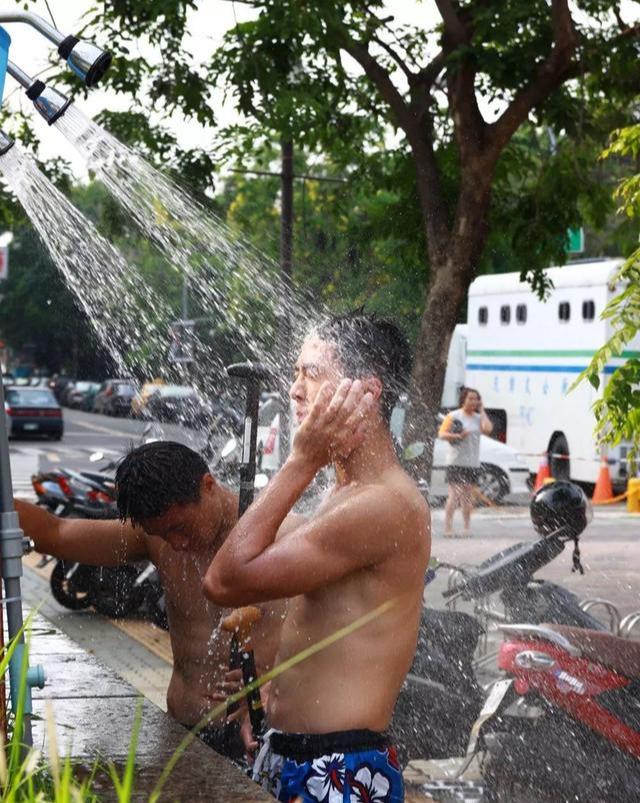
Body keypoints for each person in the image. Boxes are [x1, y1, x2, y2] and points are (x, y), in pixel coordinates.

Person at [204, 312, 431, 803]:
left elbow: (224, 580)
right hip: (299, 754)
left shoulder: (383, 504)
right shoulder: (346, 492)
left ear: (365, 395)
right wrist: (272, 693)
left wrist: (301, 460)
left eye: (309, 373)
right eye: (294, 374)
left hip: (337, 769)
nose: (294, 390)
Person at [14, 441, 290, 759]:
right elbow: (56, 534)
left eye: (179, 527)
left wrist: (278, 680)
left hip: (260, 735)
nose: (176, 543)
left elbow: (343, 633)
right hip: (183, 731)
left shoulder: (280, 538)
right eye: (161, 534)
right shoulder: (155, 539)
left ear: (209, 485)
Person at [438, 386, 493, 537]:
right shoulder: (454, 416)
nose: (474, 401)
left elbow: (488, 429)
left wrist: (482, 410)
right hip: (455, 462)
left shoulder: (478, 418)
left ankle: (466, 527)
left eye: (476, 399)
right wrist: (458, 436)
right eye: (471, 398)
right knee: (454, 495)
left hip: (472, 463)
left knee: (467, 497)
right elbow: (442, 434)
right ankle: (448, 528)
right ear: (463, 399)